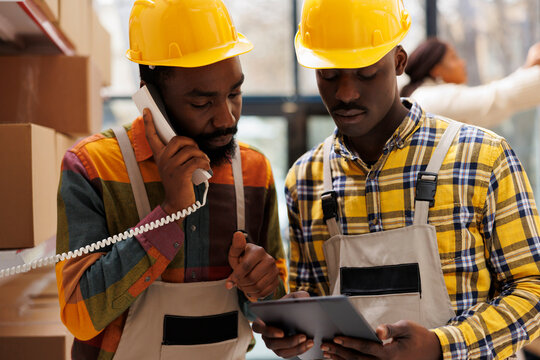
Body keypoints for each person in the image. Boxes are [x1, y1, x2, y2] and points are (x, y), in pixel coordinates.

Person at [253, 0, 540, 359]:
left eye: (366, 72)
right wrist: (295, 331)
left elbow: (532, 291)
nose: (345, 93)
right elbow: (313, 301)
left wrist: (440, 347)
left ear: (399, 62)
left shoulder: (482, 157)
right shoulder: (306, 180)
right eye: (328, 74)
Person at [55, 0, 287, 359]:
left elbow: (274, 312)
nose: (227, 118)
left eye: (234, 93)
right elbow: (80, 317)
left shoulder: (256, 171)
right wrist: (170, 212)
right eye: (202, 103)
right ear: (151, 95)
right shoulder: (93, 166)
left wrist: (265, 289)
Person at [400, 37, 540, 128]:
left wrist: (527, 69)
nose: (463, 63)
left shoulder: (424, 97)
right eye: (453, 58)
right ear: (437, 71)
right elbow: (494, 99)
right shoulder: (430, 97)